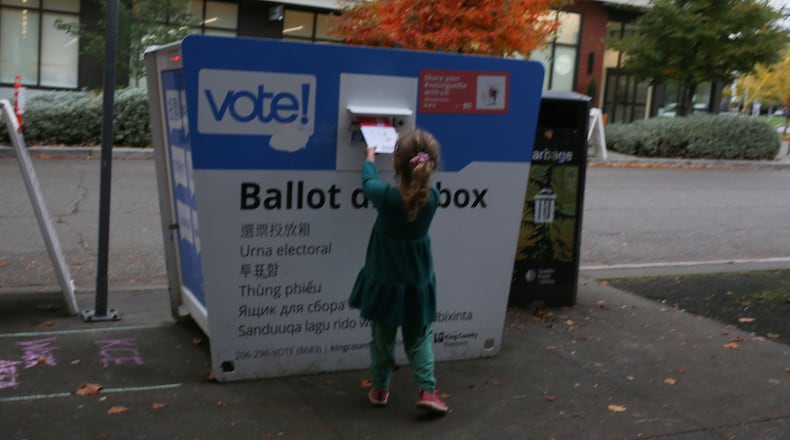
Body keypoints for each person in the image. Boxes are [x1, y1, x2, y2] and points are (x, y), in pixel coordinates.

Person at [348, 129, 448, 414]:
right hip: (417, 284)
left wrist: (368, 157)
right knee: (419, 338)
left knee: (382, 339)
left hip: (385, 284)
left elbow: (368, 182)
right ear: (431, 165)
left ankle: (380, 388)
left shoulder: (386, 197)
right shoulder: (433, 199)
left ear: (396, 164)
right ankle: (428, 390)